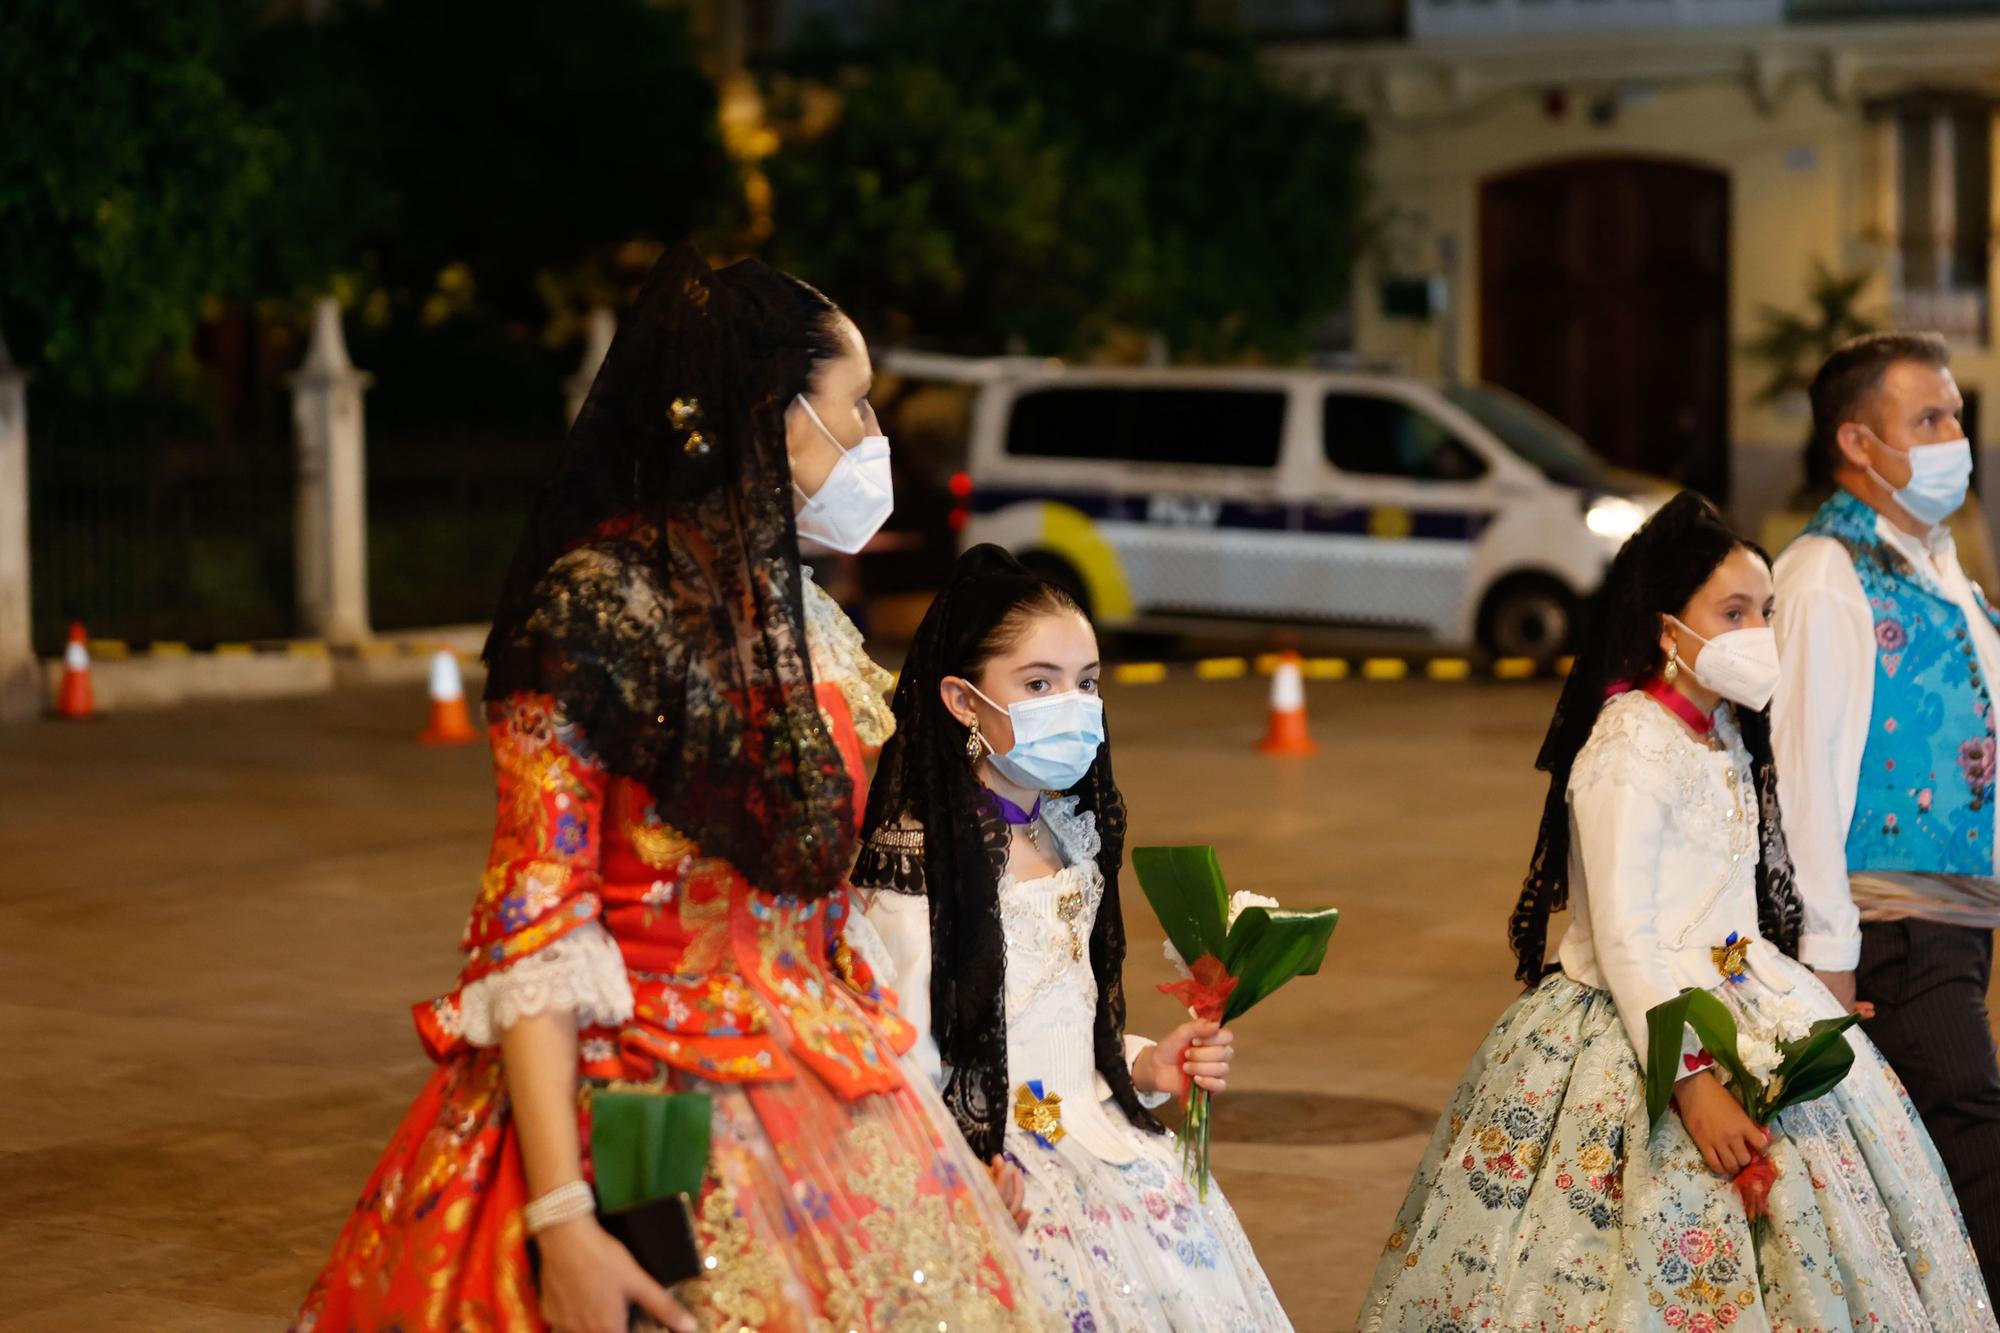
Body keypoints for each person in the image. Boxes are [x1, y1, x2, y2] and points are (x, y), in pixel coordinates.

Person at [291, 248, 1046, 1333]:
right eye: (856, 404)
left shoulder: (802, 614)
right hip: (637, 1104)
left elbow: (830, 917)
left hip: (836, 1083)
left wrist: (934, 1092)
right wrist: (561, 1218)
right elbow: (533, 927)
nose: (875, 437)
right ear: (768, 412)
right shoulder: (599, 612)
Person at [1358, 492, 1992, 1331]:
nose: (1756, 633)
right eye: (1732, 612)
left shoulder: (1722, 731)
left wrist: (1797, 996)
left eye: (1763, 612)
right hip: (1645, 1029)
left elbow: (1732, 904)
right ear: (1667, 628)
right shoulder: (1628, 745)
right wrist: (1692, 1086)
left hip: (1741, 992)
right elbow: (1626, 938)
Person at [849, 544, 1293, 1332]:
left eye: (1087, 682)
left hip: (1088, 1137)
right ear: (961, 700)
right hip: (995, 1169)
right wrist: (958, 1169)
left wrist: (1143, 1063)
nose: (1074, 705)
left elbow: (1065, 1023)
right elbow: (903, 1057)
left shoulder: (1066, 832)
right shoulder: (917, 867)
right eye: (1038, 683)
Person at [1772, 329, 2000, 1295]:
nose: (1958, 437)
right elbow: (1805, 776)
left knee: (1927, 1157)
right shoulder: (1827, 572)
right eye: (1932, 418)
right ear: (1860, 443)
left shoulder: (1938, 563)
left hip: (1957, 912)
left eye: (1956, 414)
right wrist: (1829, 960)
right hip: (1891, 923)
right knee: (1973, 1130)